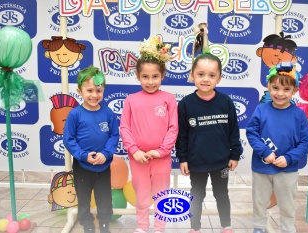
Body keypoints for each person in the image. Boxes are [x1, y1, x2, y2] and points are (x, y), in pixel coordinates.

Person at [175, 53, 243, 233]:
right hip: (196, 163)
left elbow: (233, 130)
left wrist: (234, 154)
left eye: (212, 75)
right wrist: (183, 158)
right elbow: (181, 135)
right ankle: (194, 228)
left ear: (219, 78)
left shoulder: (226, 102)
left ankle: (226, 226)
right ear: (192, 75)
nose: (206, 79)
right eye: (201, 74)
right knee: (196, 196)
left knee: (222, 194)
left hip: (221, 161)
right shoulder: (185, 104)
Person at [120, 35, 178, 233]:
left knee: (162, 194)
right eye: (145, 77)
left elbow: (173, 128)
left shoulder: (168, 99)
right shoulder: (131, 100)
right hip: (138, 159)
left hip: (161, 158)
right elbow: (124, 127)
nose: (150, 81)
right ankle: (143, 227)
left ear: (163, 76)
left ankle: (159, 228)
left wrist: (162, 151)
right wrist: (134, 150)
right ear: (137, 76)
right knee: (142, 195)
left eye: (155, 77)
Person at [246, 63, 308, 233]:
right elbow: (251, 133)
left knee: (287, 203)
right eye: (275, 88)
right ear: (268, 86)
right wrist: (265, 152)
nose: (280, 93)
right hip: (262, 167)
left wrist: (289, 158)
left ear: (294, 90)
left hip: (287, 170)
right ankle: (259, 227)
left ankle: (287, 229)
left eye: (286, 89)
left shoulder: (299, 115)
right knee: (260, 201)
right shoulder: (261, 110)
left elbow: (306, 142)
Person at [63, 66, 119, 233]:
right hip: (82, 167)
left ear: (104, 90)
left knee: (104, 198)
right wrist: (83, 155)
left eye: (99, 90)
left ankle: (104, 223)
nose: (94, 95)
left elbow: (114, 136)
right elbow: (69, 139)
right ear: (79, 91)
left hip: (103, 166)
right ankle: (87, 223)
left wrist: (106, 153)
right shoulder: (75, 115)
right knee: (84, 198)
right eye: (89, 90)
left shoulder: (108, 113)